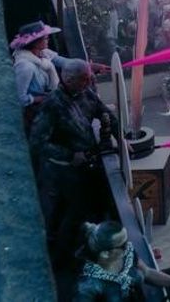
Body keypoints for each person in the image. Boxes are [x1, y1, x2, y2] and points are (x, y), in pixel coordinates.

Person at [31, 60, 119, 263]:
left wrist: (121, 135)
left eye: (89, 77)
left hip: (86, 164)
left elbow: (104, 112)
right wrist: (70, 155)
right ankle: (63, 257)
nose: (90, 81)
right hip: (62, 171)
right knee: (72, 212)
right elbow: (37, 144)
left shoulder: (85, 92)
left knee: (87, 207)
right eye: (85, 78)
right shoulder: (52, 105)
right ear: (68, 80)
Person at [74, 221, 170, 301]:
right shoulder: (88, 287)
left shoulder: (127, 253)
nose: (128, 245)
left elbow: (147, 273)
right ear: (105, 254)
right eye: (122, 244)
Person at [11, 21, 64, 129]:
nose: (48, 39)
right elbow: (19, 98)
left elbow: (64, 62)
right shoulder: (25, 66)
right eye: (45, 38)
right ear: (35, 42)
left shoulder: (44, 55)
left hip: (47, 106)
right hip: (36, 114)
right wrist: (40, 98)